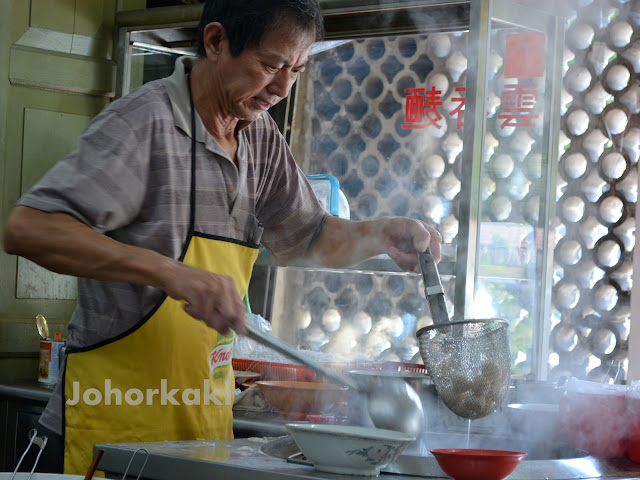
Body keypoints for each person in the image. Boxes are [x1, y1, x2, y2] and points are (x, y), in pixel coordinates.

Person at [3, 0, 441, 474]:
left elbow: (311, 236)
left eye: (296, 69)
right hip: (109, 432)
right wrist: (171, 273)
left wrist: (380, 234)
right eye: (271, 65)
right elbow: (30, 229)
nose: (282, 88)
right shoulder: (145, 124)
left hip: (202, 441)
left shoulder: (259, 138)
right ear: (216, 42)